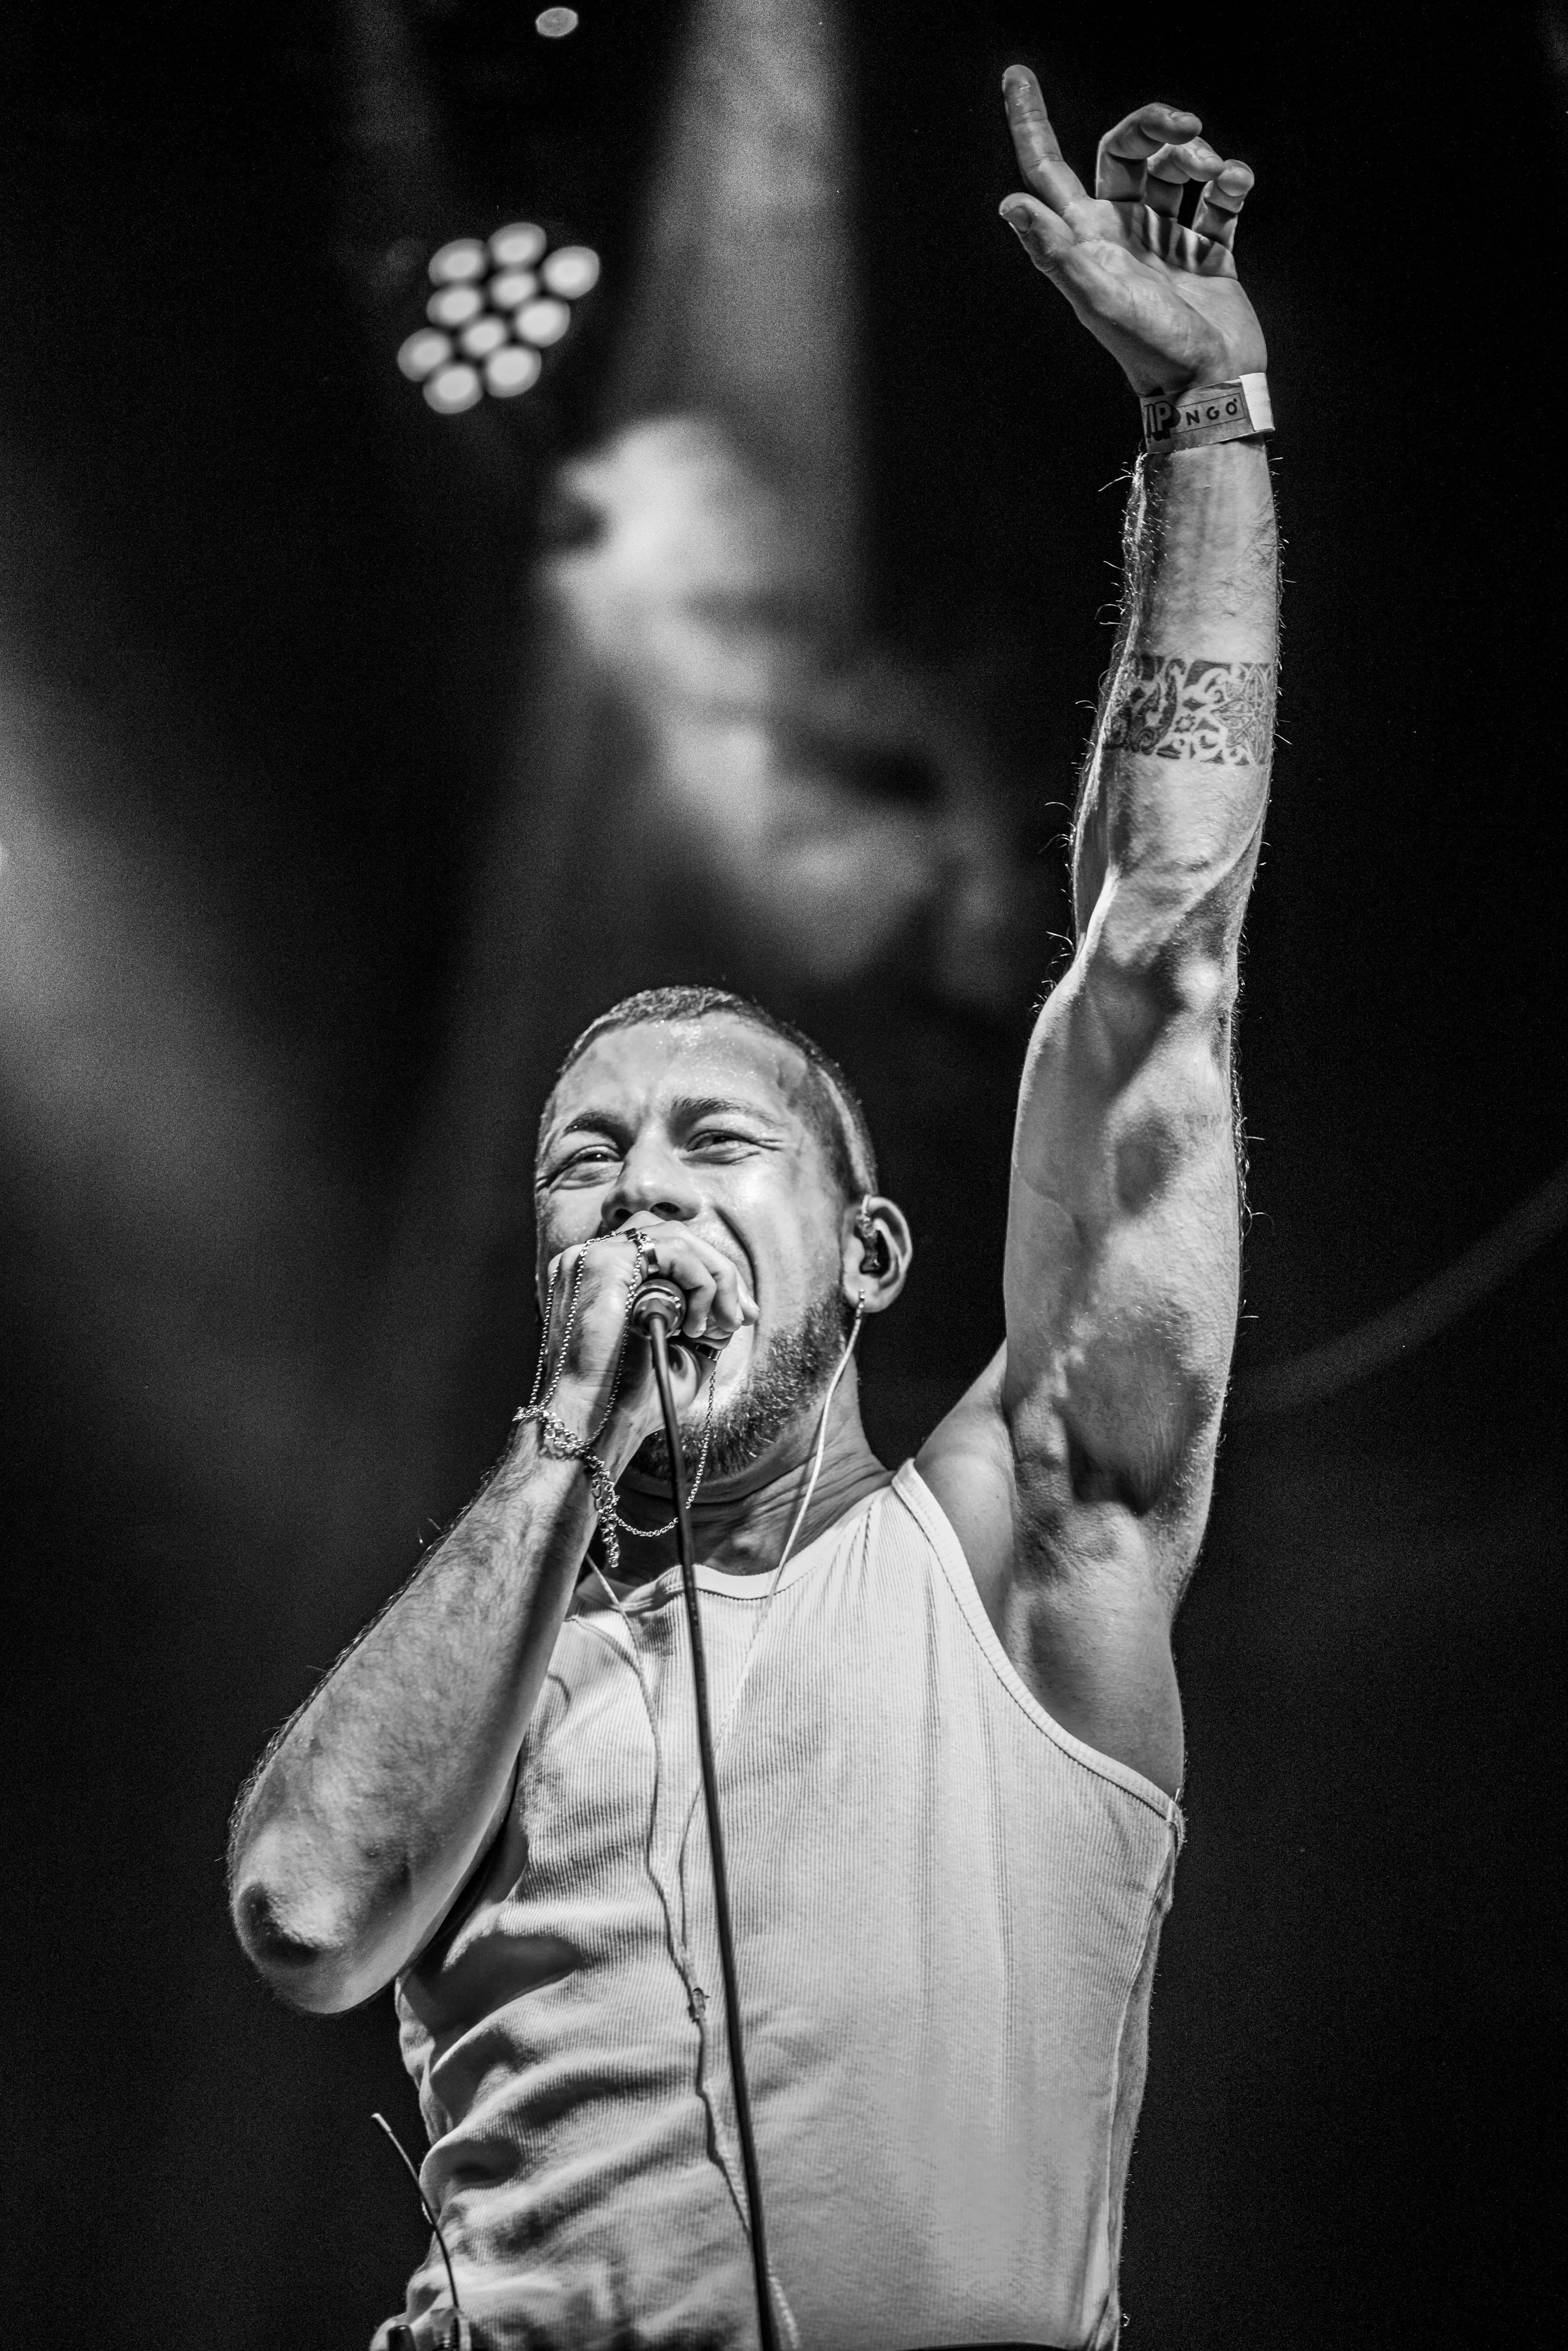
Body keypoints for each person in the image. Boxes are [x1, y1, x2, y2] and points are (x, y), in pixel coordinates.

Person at [229, 63, 1278, 2351]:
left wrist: (1211, 433)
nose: (641, 1202)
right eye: (584, 1170)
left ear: (873, 1255)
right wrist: (562, 1437)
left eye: (717, 1148)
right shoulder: (503, 1689)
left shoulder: (1024, 1561)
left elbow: (1158, 967)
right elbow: (310, 1907)